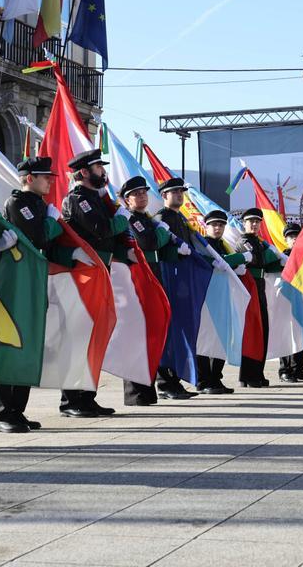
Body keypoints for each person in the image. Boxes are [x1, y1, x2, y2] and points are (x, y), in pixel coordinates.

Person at [0, 156, 84, 433]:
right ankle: (1, 412)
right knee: (12, 343)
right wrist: (54, 222)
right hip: (18, 282)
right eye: (45, 177)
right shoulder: (18, 203)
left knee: (30, 347)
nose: (50, 181)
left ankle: (16, 410)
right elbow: (38, 237)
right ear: (29, 178)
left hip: (35, 280)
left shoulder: (40, 206)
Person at [60, 148, 128, 418]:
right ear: (85, 172)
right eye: (99, 167)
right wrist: (121, 218)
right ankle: (71, 400)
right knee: (79, 334)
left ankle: (87, 396)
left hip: (100, 270)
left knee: (95, 335)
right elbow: (102, 229)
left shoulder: (97, 198)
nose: (104, 171)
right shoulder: (79, 198)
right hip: (83, 273)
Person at [120, 175, 193, 405]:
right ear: (126, 200)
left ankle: (147, 389)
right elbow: (149, 243)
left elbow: (158, 249)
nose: (142, 197)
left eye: (144, 193)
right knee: (138, 333)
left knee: (153, 332)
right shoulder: (134, 220)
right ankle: (137, 392)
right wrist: (162, 232)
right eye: (136, 194)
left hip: (152, 276)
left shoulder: (146, 218)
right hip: (137, 279)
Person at [149, 176, 199, 400]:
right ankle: (165, 382)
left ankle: (175, 379)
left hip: (181, 279)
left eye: (181, 191)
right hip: (168, 276)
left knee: (178, 330)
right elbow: (157, 248)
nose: (179, 195)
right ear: (164, 196)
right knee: (168, 331)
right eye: (174, 192)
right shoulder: (161, 218)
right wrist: (175, 252)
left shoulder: (180, 218)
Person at [195, 209, 247, 394]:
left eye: (221, 225)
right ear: (205, 226)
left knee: (222, 337)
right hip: (207, 295)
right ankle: (203, 380)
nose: (217, 228)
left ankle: (216, 378)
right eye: (214, 225)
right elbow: (212, 261)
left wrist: (237, 262)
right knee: (205, 338)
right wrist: (240, 258)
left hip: (223, 294)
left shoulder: (224, 245)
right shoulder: (202, 243)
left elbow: (228, 263)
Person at [237, 208, 283, 388]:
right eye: (251, 221)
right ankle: (248, 375)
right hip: (250, 287)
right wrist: (273, 253)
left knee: (262, 329)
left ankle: (257, 372)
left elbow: (266, 264)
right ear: (244, 223)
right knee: (252, 331)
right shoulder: (245, 241)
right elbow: (257, 260)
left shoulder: (258, 241)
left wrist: (278, 259)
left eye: (257, 222)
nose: (254, 225)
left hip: (260, 286)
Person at [277, 224, 303, 383]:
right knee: (288, 334)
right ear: (286, 240)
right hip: (288, 301)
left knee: (302, 333)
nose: (294, 239)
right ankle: (285, 370)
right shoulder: (282, 256)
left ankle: (298, 368)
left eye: (297, 236)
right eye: (291, 237)